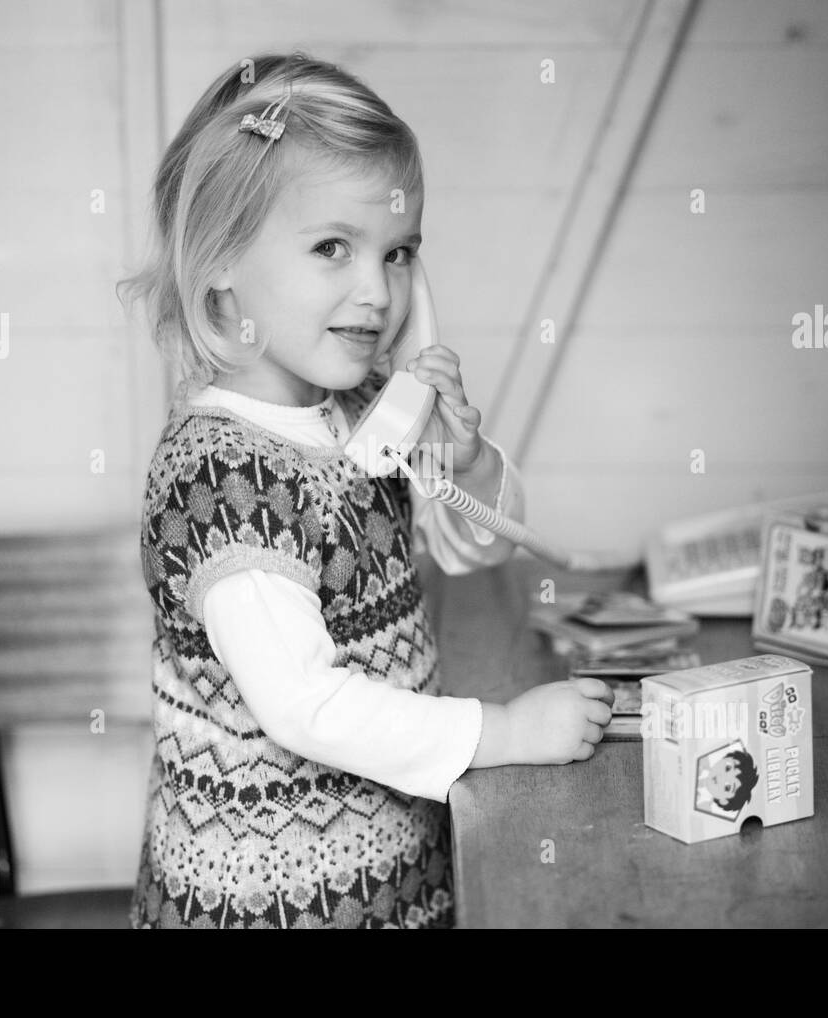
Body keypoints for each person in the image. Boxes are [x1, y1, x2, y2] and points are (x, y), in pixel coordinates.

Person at [118, 51, 614, 929]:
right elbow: (306, 706)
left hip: (389, 883)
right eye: (331, 248)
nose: (377, 292)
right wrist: (505, 734)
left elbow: (476, 546)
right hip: (267, 906)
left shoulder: (358, 415)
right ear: (221, 262)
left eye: (399, 254)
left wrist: (462, 464)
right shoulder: (220, 477)